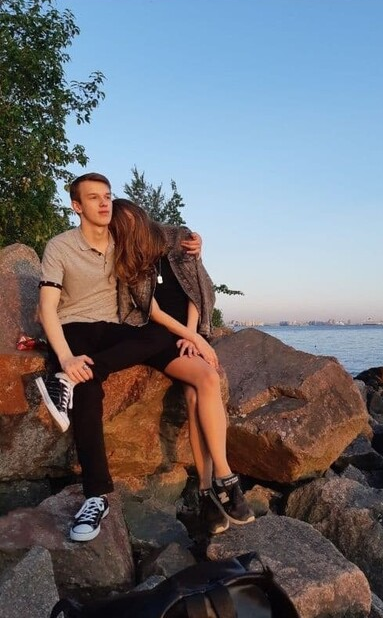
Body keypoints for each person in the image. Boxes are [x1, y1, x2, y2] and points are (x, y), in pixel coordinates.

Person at [35, 173, 207, 542]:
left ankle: (78, 375)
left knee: (159, 333)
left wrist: (195, 240)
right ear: (76, 206)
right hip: (73, 326)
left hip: (114, 328)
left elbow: (169, 235)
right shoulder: (60, 247)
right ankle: (96, 497)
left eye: (107, 196)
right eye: (93, 198)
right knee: (86, 389)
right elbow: (47, 308)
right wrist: (65, 358)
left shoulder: (123, 239)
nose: (103, 203)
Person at [110, 199, 255, 536]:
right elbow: (152, 311)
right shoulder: (128, 260)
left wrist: (194, 336)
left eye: (135, 223)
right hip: (156, 337)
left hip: (187, 333)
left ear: (143, 218)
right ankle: (226, 479)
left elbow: (197, 290)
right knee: (207, 377)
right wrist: (194, 340)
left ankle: (206, 494)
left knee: (193, 396)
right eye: (124, 230)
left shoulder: (177, 239)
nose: (134, 233)